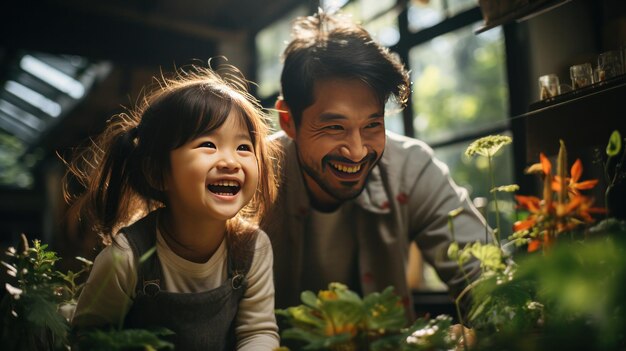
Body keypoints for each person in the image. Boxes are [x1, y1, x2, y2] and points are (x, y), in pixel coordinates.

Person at [262, 11, 490, 321]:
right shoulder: (252, 175)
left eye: (372, 124)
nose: (357, 152)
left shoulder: (410, 167)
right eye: (334, 128)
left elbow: (485, 275)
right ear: (288, 121)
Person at [67, 63, 280, 350]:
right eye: (208, 144)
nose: (231, 161)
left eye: (243, 147)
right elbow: (89, 339)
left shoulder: (253, 248)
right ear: (157, 172)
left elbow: (258, 331)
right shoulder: (126, 259)